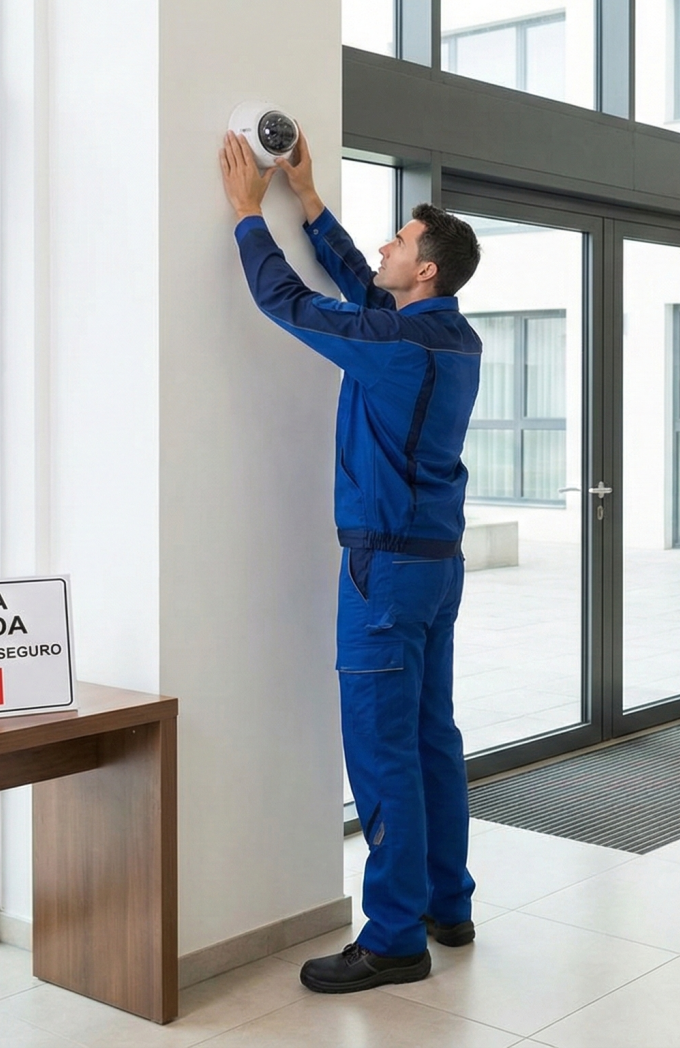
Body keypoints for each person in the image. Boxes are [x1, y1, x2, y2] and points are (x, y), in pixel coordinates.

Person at [218, 131, 485, 993]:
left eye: (399, 243)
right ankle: (449, 904)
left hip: (384, 574)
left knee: (382, 752)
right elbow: (367, 295)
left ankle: (396, 937)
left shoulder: (395, 347)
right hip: (436, 566)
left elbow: (291, 302)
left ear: (427, 271)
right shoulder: (452, 339)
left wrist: (248, 216)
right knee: (431, 738)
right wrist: (310, 200)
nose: (384, 248)